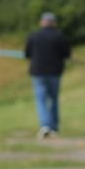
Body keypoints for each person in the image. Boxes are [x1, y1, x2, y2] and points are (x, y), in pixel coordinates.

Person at [24, 11, 73, 140]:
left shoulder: (34, 36)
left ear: (42, 22)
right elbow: (67, 54)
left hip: (38, 73)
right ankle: (54, 127)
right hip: (54, 73)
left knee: (40, 99)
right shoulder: (59, 36)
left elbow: (27, 54)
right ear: (54, 23)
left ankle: (44, 125)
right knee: (53, 99)